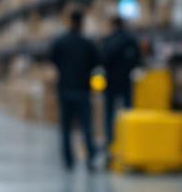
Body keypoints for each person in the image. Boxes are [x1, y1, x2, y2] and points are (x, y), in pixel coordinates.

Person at [47, 10, 100, 171]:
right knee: (86, 126)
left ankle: (68, 161)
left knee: (66, 127)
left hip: (65, 89)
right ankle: (90, 158)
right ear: (82, 23)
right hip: (83, 90)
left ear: (69, 22)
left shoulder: (60, 42)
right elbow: (96, 62)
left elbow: (53, 60)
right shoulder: (87, 44)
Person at [100, 16, 142, 159]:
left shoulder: (107, 40)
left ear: (112, 24)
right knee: (128, 112)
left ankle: (110, 144)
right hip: (126, 80)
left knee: (109, 114)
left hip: (110, 82)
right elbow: (137, 58)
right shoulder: (130, 40)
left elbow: (103, 60)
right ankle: (128, 141)